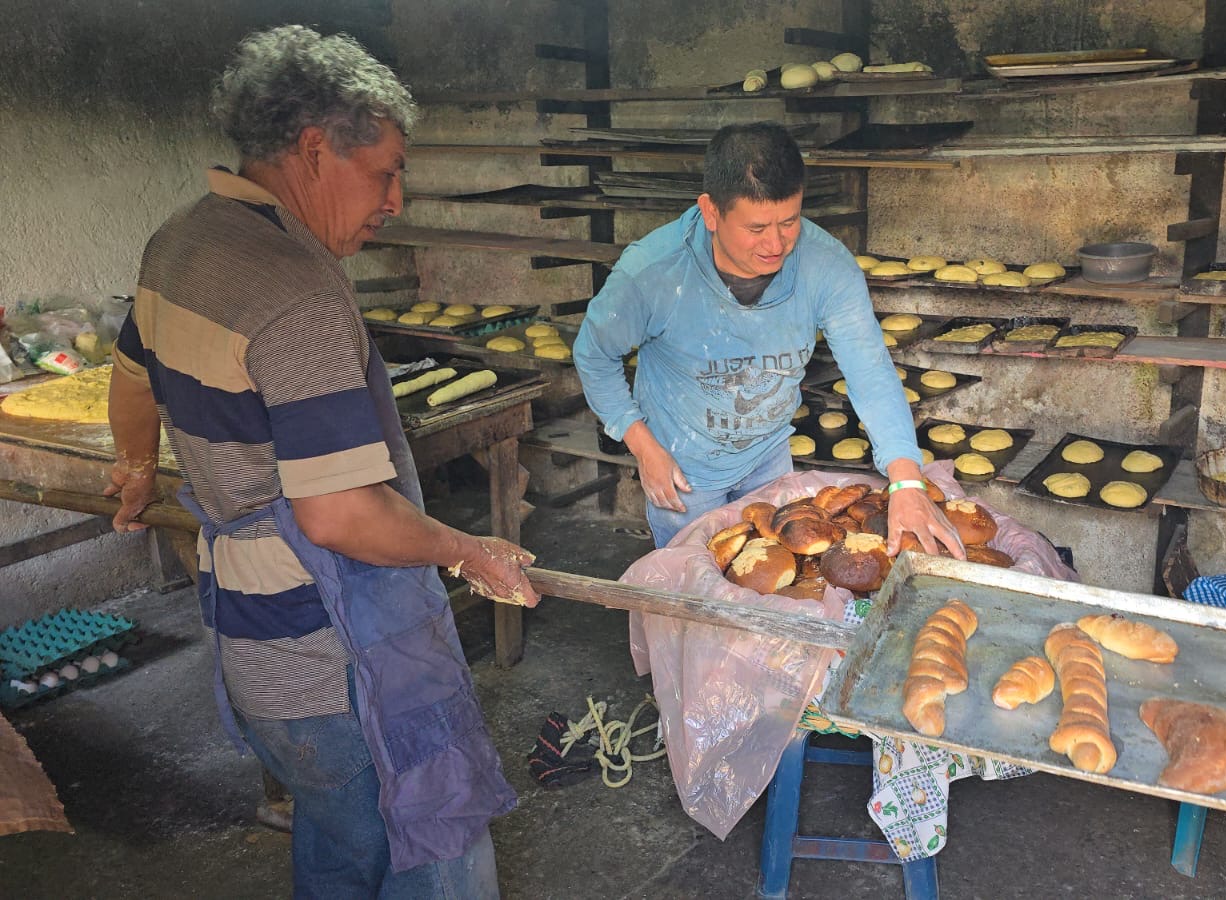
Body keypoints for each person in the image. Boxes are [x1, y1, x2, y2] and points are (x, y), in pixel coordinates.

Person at [103, 25, 535, 897]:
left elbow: (131, 375)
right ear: (312, 150)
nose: (396, 199)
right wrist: (468, 550)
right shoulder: (295, 292)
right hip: (335, 656)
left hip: (249, 641)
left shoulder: (180, 240)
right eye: (384, 173)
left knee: (338, 846)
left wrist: (137, 467)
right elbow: (340, 515)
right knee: (432, 837)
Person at [574, 122, 964, 555]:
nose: (776, 244)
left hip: (768, 458)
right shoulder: (652, 273)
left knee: (776, 573)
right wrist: (643, 446)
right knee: (694, 585)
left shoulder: (825, 266)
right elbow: (593, 355)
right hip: (683, 468)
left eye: (790, 221)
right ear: (710, 212)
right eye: (757, 228)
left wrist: (906, 481)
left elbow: (869, 371)